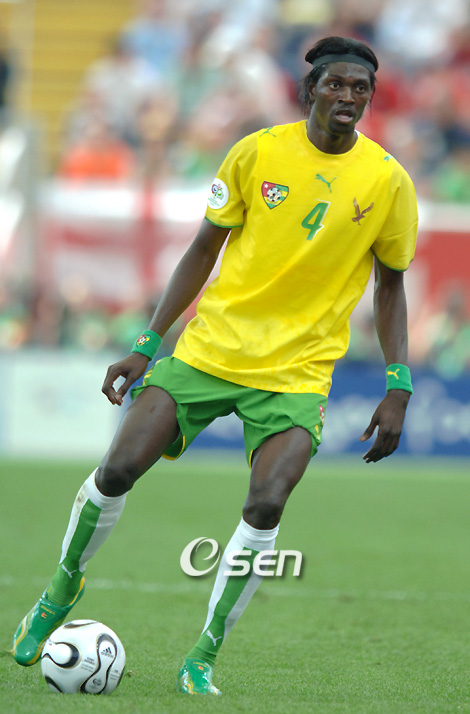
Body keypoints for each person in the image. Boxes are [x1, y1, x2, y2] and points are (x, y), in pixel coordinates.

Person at [12, 36, 418, 695]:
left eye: (360, 88)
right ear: (309, 90)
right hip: (209, 352)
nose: (348, 96)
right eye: (336, 84)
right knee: (117, 470)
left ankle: (202, 656)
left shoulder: (389, 181)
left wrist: (399, 384)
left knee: (266, 504)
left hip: (297, 373)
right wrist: (148, 342)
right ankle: (61, 589)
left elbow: (391, 285)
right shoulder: (256, 152)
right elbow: (202, 249)